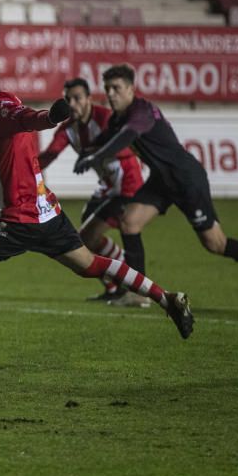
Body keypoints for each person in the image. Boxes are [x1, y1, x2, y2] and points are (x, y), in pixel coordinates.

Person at [0, 49, 194, 363]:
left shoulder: (1, 107)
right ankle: (166, 298)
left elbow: (29, 119)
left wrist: (52, 116)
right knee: (90, 264)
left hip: (20, 218)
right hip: (47, 213)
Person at [74, 64, 238, 306]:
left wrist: (96, 157)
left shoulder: (143, 111)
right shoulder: (118, 119)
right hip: (161, 181)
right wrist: (88, 152)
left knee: (215, 243)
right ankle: (137, 293)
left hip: (186, 178)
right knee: (129, 222)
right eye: (107, 89)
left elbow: (125, 137)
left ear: (131, 89)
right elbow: (106, 138)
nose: (111, 94)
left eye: (116, 88)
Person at [37, 78, 147, 307]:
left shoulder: (105, 118)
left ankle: (125, 281)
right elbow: (50, 154)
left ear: (89, 99)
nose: (72, 103)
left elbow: (128, 145)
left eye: (77, 98)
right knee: (88, 232)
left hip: (128, 184)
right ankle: (114, 286)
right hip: (108, 187)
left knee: (86, 237)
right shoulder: (68, 129)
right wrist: (24, 170)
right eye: (67, 99)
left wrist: (94, 153)